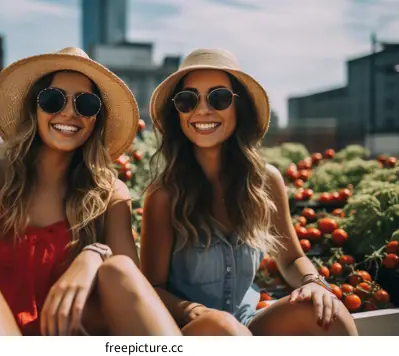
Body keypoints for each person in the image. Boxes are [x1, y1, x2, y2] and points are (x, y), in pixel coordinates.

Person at [0, 47, 181, 337]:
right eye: (53, 100)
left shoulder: (109, 194)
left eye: (86, 104)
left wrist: (94, 255)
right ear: (34, 108)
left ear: (96, 119)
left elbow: (131, 289)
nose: (68, 112)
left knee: (118, 268)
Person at [140, 48, 359, 336]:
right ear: (177, 114)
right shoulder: (164, 195)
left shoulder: (265, 181)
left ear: (238, 108)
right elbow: (151, 288)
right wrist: (190, 310)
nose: (202, 109)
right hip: (191, 329)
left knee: (331, 313)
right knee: (224, 329)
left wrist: (314, 283)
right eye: (187, 100)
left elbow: (290, 259)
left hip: (247, 323)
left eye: (219, 98)